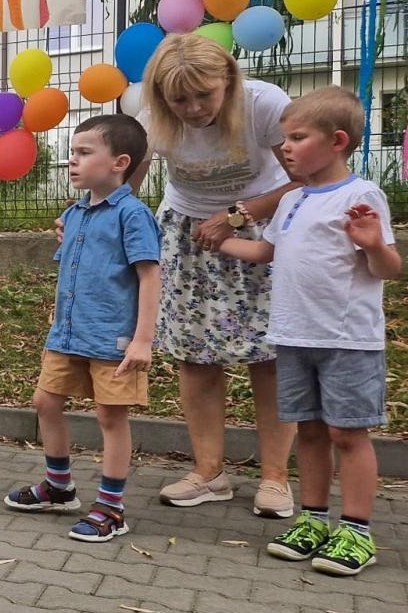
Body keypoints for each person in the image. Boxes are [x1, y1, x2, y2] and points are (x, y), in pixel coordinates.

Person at [220, 88, 400, 576]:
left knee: (347, 433)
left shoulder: (360, 196)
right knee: (312, 432)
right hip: (294, 336)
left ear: (337, 140)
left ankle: (357, 530)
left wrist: (372, 244)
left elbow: (388, 268)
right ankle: (315, 520)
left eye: (297, 138)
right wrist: (221, 238)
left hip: (346, 340)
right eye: (283, 139)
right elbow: (268, 253)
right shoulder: (293, 199)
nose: (286, 148)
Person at [140, 34, 298, 517]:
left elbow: (309, 173)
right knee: (196, 356)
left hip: (263, 230)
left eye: (203, 95)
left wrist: (238, 213)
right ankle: (209, 473)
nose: (192, 108)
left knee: (269, 356)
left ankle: (275, 477)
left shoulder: (265, 104)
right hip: (188, 234)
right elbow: (124, 177)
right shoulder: (151, 118)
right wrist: (87, 213)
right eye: (179, 99)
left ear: (227, 80)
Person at [6, 115, 161, 543]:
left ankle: (111, 508)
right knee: (45, 401)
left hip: (114, 338)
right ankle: (59, 486)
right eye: (71, 153)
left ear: (120, 162)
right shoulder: (73, 214)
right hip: (68, 334)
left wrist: (144, 339)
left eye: (83, 153)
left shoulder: (133, 215)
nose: (70, 161)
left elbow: (150, 276)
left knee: (110, 416)